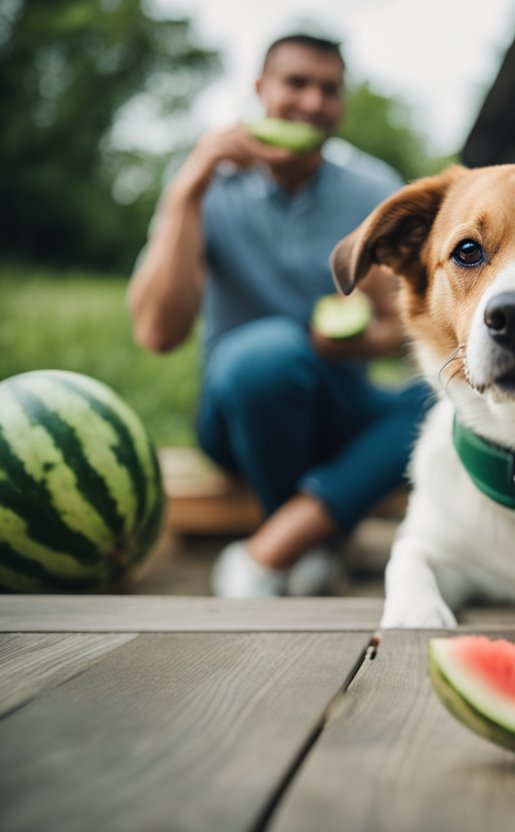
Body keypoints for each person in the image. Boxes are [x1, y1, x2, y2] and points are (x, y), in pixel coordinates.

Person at [127, 34, 430, 598]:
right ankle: (319, 539)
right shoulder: (207, 187)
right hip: (238, 412)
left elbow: (407, 328)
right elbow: (158, 333)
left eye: (329, 89)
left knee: (443, 395)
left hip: (335, 408)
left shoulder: (373, 189)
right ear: (261, 89)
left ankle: (280, 545)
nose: (313, 104)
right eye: (297, 84)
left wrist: (361, 342)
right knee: (268, 354)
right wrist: (188, 187)